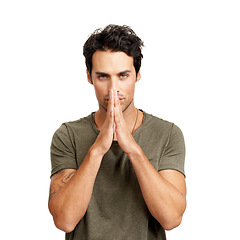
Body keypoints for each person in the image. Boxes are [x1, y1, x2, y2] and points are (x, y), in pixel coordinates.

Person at [48, 24, 186, 240]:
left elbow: (171, 219)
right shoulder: (67, 135)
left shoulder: (167, 134)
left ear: (137, 74)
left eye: (123, 75)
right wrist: (97, 150)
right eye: (103, 76)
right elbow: (64, 220)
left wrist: (133, 149)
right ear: (89, 76)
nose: (114, 88)